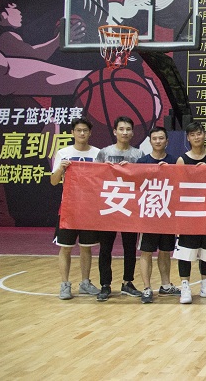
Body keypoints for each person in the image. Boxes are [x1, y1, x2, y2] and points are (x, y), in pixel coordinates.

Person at [50, 117, 101, 300]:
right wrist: (61, 169)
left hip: (89, 209)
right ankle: (64, 284)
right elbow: (53, 181)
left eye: (85, 130)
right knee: (65, 248)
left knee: (86, 248)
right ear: (72, 133)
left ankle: (85, 283)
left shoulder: (98, 153)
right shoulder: (63, 153)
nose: (82, 133)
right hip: (68, 209)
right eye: (78, 130)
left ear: (90, 133)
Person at [95, 116, 144, 302]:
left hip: (130, 206)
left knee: (129, 247)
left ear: (132, 132)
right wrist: (104, 169)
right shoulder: (104, 153)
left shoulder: (138, 154)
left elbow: (143, 180)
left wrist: (131, 169)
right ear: (115, 131)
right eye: (121, 129)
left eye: (128, 129)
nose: (125, 132)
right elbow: (94, 178)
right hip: (109, 205)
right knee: (105, 248)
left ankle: (127, 282)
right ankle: (105, 284)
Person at [174, 121, 206, 304]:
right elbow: (177, 187)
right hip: (188, 213)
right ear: (188, 138)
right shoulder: (182, 160)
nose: (196, 137)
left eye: (199, 133)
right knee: (186, 252)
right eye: (192, 134)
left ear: (205, 135)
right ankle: (185, 286)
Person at [136, 126, 180, 304]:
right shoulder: (142, 162)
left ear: (167, 141)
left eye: (161, 138)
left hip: (167, 213)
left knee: (165, 251)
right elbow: (135, 185)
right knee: (146, 252)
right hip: (148, 214)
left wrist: (169, 170)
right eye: (154, 138)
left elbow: (180, 183)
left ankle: (165, 285)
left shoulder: (174, 161)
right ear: (150, 141)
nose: (158, 141)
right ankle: (147, 288)